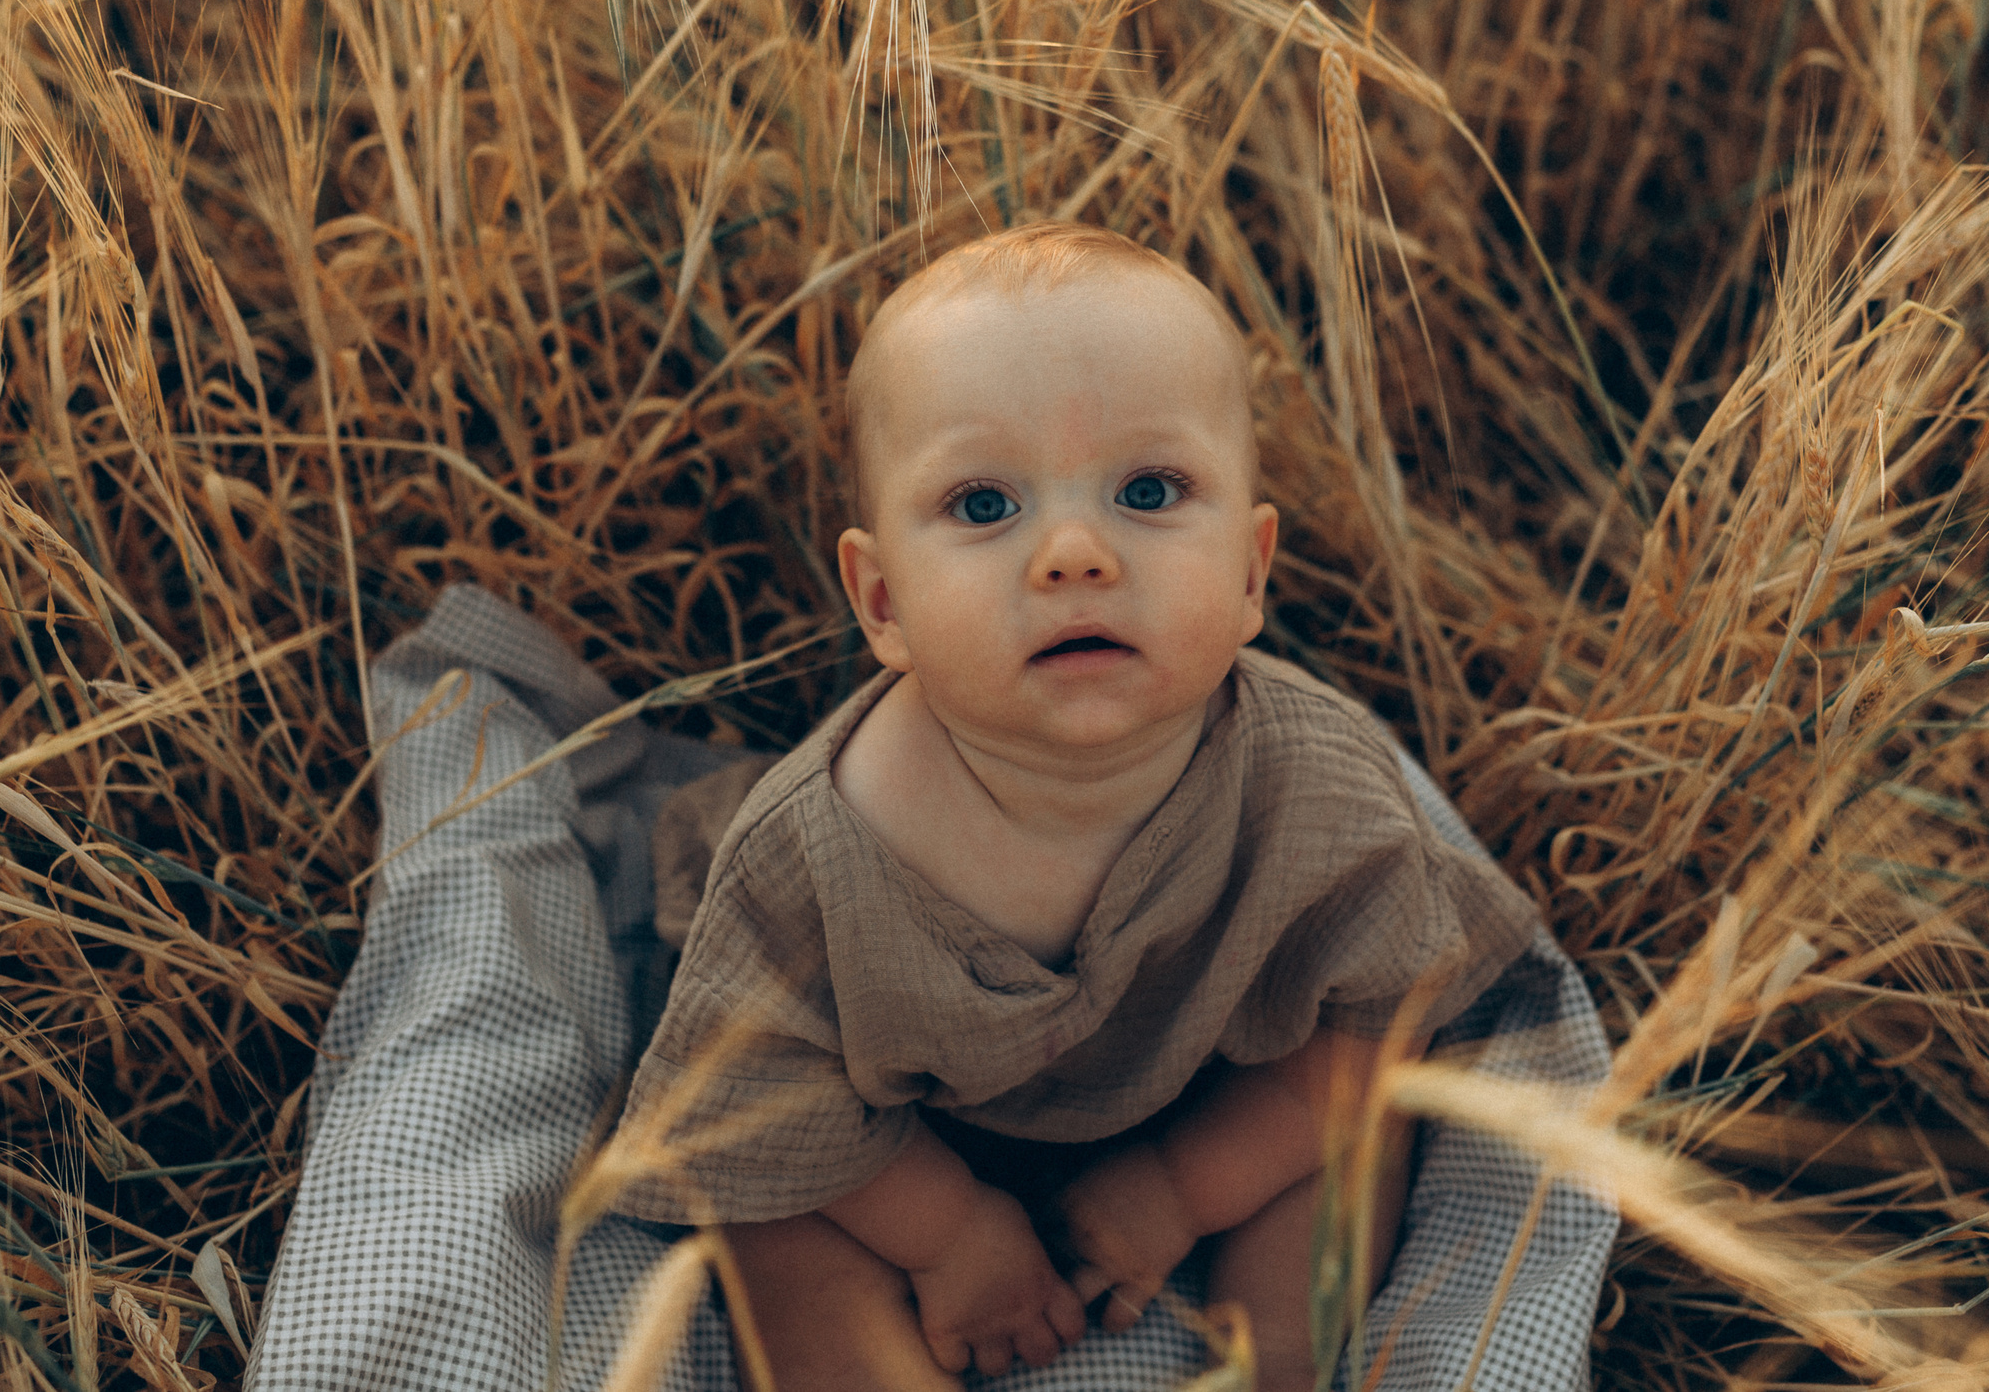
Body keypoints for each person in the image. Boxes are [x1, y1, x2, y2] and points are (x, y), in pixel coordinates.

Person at [613, 221, 1540, 1390]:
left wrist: (1180, 1188)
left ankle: (1270, 1374)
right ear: (884, 600)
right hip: (892, 1150)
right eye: (985, 505)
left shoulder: (1321, 793)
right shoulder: (813, 854)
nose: (1072, 552)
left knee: (1351, 1152)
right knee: (769, 1220)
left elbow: (1366, 1041)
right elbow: (751, 1106)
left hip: (1208, 1103)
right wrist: (949, 1233)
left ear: (1252, 575)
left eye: (1147, 490)